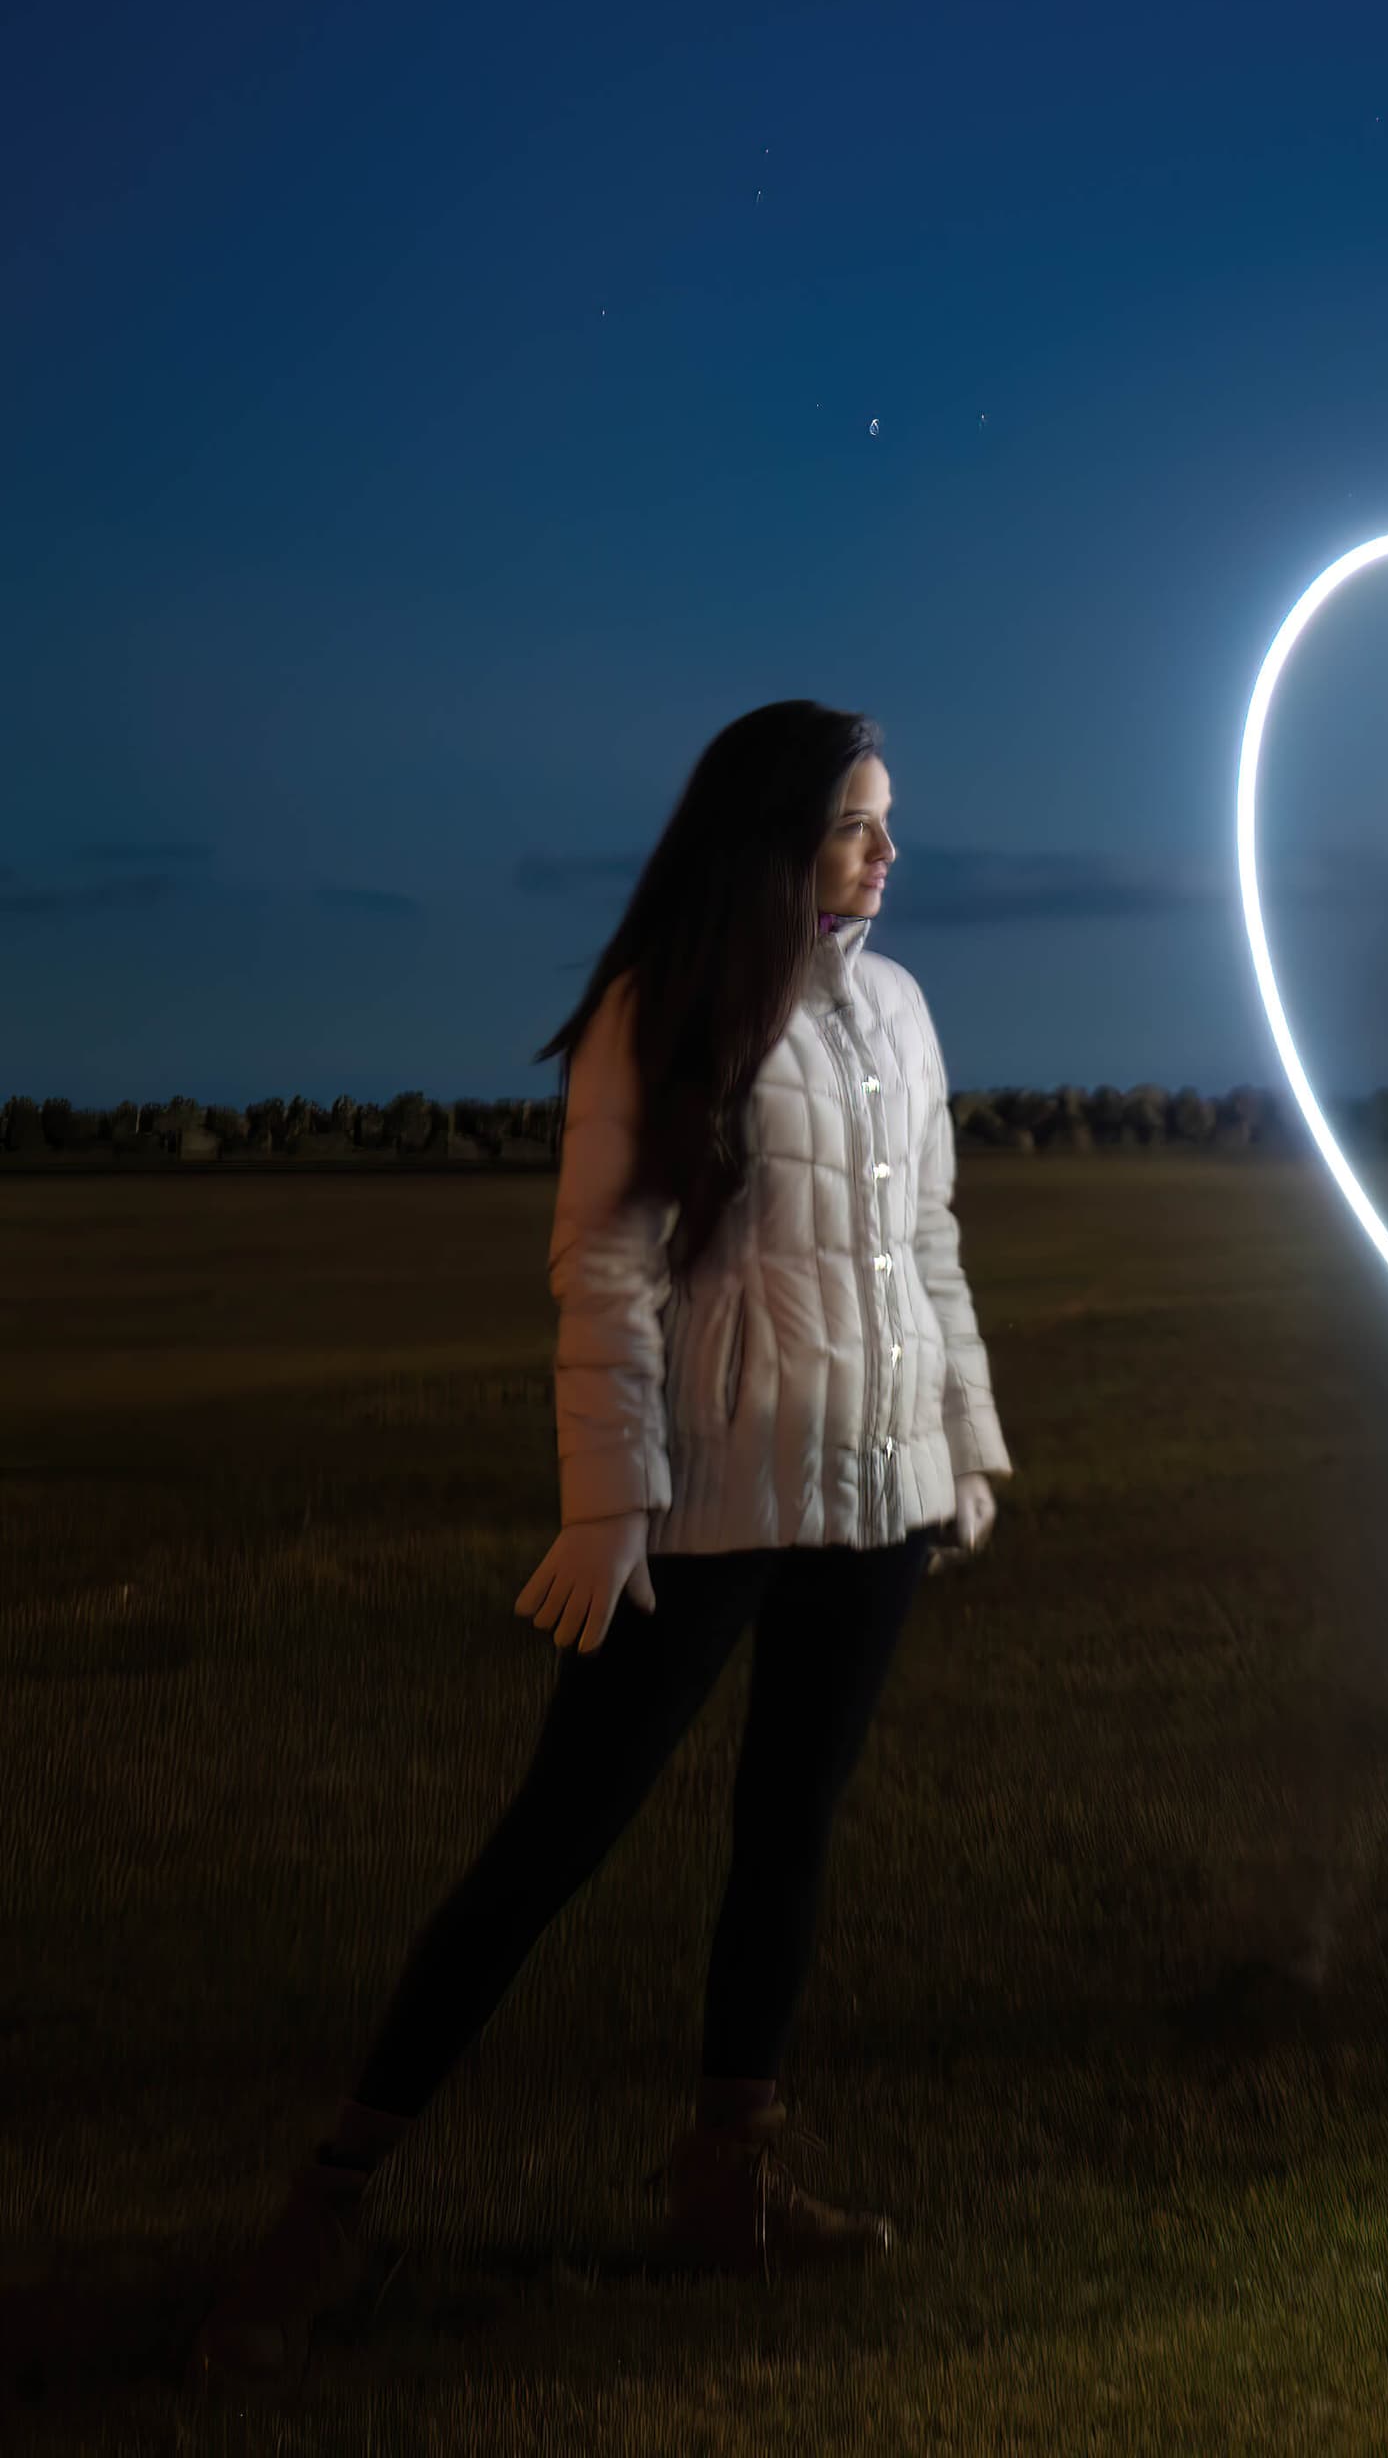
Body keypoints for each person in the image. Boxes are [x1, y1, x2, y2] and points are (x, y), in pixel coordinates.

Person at [198, 701, 1012, 2374]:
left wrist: (959, 1444)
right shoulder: (667, 1008)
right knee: (554, 1840)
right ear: (778, 834)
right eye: (859, 822)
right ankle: (330, 2201)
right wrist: (607, 1502)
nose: (888, 852)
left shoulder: (905, 1012)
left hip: (870, 1501)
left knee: (790, 1835)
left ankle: (729, 2181)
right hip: (707, 1507)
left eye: (889, 822)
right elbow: (610, 1276)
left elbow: (928, 1238)